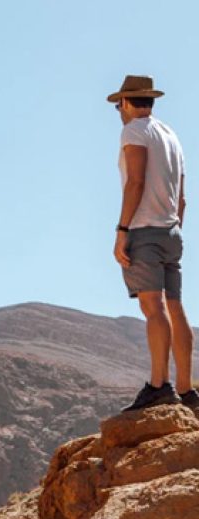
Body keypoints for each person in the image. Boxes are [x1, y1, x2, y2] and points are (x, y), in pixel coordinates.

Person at [109, 75, 199, 412]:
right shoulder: (171, 135)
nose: (119, 112)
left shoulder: (134, 131)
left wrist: (122, 230)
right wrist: (172, 228)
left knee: (153, 308)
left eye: (119, 105)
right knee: (175, 307)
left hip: (144, 230)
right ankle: (187, 391)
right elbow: (183, 198)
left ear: (127, 102)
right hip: (172, 231)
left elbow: (135, 182)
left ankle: (159, 386)